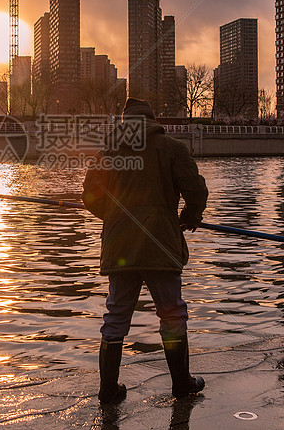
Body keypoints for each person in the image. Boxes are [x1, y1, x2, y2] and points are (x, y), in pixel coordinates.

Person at [83, 97, 208, 403]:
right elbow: (195, 190)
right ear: (153, 121)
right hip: (160, 246)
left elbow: (89, 196)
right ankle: (181, 384)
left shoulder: (108, 152)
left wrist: (115, 218)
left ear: (124, 123)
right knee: (171, 313)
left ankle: (108, 390)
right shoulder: (172, 149)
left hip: (120, 247)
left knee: (116, 315)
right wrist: (189, 218)